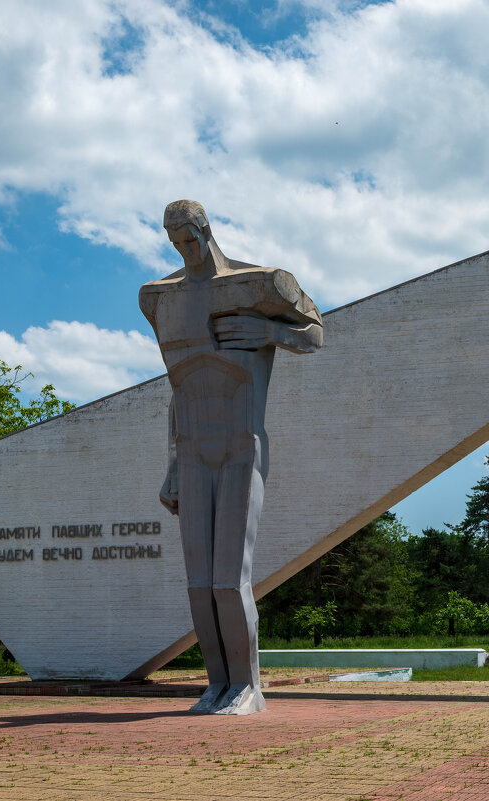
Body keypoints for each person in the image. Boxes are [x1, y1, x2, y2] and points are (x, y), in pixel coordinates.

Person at [140, 200, 323, 714]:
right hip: (193, 450)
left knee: (229, 578)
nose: (184, 249)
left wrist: (270, 333)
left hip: (242, 444)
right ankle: (217, 684)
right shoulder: (159, 299)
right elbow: (177, 391)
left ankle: (248, 687)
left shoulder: (258, 284)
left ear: (206, 229)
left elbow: (316, 332)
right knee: (199, 584)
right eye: (174, 242)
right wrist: (173, 463)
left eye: (190, 238)